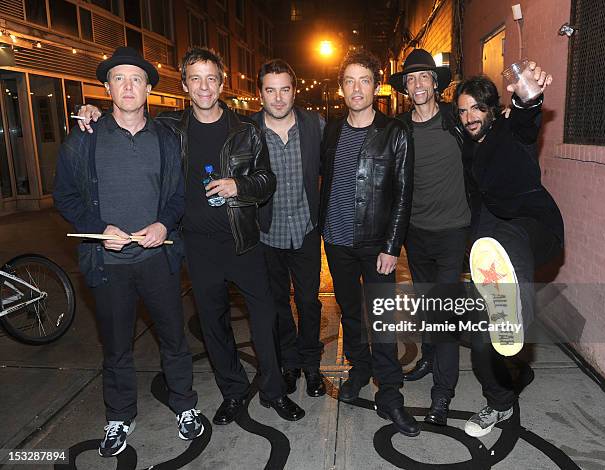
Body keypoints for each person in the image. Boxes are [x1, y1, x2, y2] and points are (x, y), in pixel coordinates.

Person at [77, 47, 305, 425]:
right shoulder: (169, 128)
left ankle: (274, 392)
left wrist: (239, 184)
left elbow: (267, 181)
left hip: (243, 243)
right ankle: (233, 392)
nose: (203, 86)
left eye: (211, 78)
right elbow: (128, 117)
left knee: (264, 321)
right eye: (195, 78)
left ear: (221, 83)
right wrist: (93, 113)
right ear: (184, 85)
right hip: (197, 247)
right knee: (214, 327)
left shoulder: (246, 130)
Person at [53, 46, 202, 458]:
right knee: (116, 345)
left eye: (137, 78)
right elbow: (64, 197)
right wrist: (99, 230)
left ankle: (185, 405)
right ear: (106, 87)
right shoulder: (84, 140)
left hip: (158, 260)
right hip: (108, 265)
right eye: (119, 78)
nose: (128, 86)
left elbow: (177, 195)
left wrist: (163, 224)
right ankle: (119, 415)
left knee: (173, 338)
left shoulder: (167, 138)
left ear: (149, 89)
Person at [456, 64, 563, 437]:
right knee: (482, 342)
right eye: (463, 111)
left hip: (536, 228)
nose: (469, 117)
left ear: (491, 110)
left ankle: (517, 316)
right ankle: (500, 401)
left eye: (476, 109)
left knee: (509, 237)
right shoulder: (470, 149)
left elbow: (527, 116)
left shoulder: (508, 131)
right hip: (495, 241)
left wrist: (527, 96)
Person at [320, 49, 419, 436]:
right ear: (341, 87)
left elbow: (403, 194)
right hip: (337, 242)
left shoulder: (394, 132)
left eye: (364, 80)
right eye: (349, 80)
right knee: (349, 315)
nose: (356, 88)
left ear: (376, 86)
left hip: (377, 245)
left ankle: (390, 394)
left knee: (383, 321)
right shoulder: (331, 130)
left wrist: (392, 247)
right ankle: (359, 370)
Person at [389, 49, 471, 425]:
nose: (418, 84)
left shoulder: (457, 120)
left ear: (436, 83)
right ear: (405, 88)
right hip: (416, 234)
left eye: (424, 77)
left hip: (453, 232)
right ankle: (427, 359)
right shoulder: (400, 128)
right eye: (411, 79)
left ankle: (443, 393)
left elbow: (493, 137)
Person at [252, 59, 326, 398]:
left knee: (310, 303)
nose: (278, 98)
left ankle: (312, 365)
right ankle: (290, 362)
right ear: (261, 94)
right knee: (278, 304)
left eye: (285, 89)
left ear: (294, 91)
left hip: (307, 232)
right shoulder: (247, 130)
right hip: (268, 235)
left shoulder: (315, 126)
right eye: (271, 90)